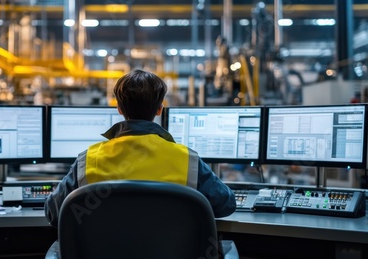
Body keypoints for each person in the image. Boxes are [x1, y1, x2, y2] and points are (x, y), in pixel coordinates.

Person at [44, 69, 236, 227]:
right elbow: (226, 204)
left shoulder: (89, 160)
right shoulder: (187, 160)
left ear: (119, 108)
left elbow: (53, 212)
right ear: (160, 109)